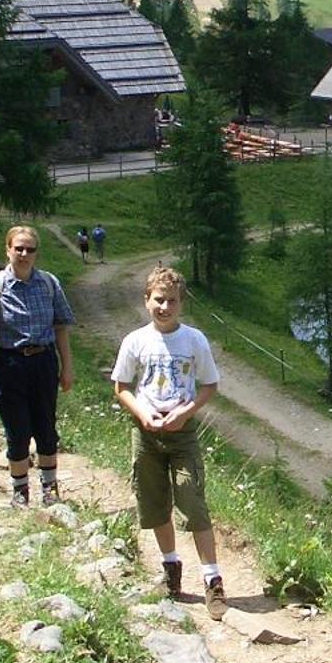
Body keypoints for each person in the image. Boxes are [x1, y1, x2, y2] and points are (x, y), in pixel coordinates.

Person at [111, 264, 227, 618]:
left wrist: (186, 413)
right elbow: (121, 387)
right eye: (159, 300)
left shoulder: (194, 340)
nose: (165, 307)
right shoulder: (135, 341)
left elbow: (209, 384)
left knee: (192, 499)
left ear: (182, 303)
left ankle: (213, 580)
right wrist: (142, 415)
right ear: (147, 300)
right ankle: (171, 569)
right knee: (154, 500)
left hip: (183, 433)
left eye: (172, 301)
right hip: (146, 433)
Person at [0, 226, 75, 506]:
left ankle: (50, 488)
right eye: (19, 248)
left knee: (45, 426)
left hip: (43, 360)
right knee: (17, 430)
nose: (24, 254)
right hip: (7, 362)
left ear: (36, 253)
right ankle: (20, 491)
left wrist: (67, 368)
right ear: (8, 249)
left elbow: (61, 326)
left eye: (29, 249)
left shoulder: (49, 284)